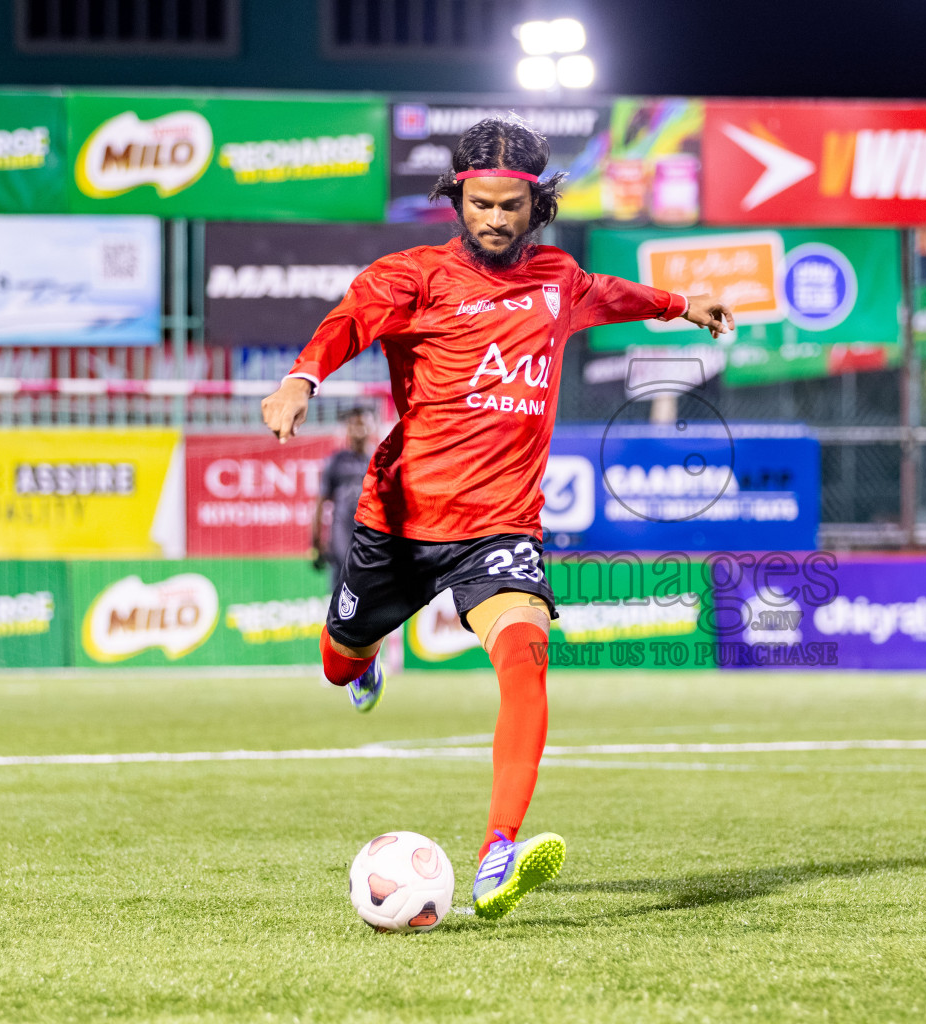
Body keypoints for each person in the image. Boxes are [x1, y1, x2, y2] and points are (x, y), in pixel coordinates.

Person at [259, 115, 734, 921]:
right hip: (399, 525)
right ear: (459, 196)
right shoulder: (413, 276)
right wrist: (303, 379)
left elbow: (615, 296)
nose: (493, 218)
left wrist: (684, 303)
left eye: (510, 203)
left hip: (499, 529)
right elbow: (348, 322)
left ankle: (496, 853)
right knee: (339, 661)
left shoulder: (558, 279)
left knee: (526, 654)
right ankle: (364, 656)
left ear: (534, 203)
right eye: (480, 202)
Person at [311, 406, 373, 592]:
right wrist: (316, 541)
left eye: (363, 423)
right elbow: (320, 502)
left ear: (371, 427)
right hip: (341, 535)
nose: (358, 429)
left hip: (370, 536)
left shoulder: (378, 460)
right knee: (340, 592)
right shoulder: (336, 461)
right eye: (354, 424)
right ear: (348, 429)